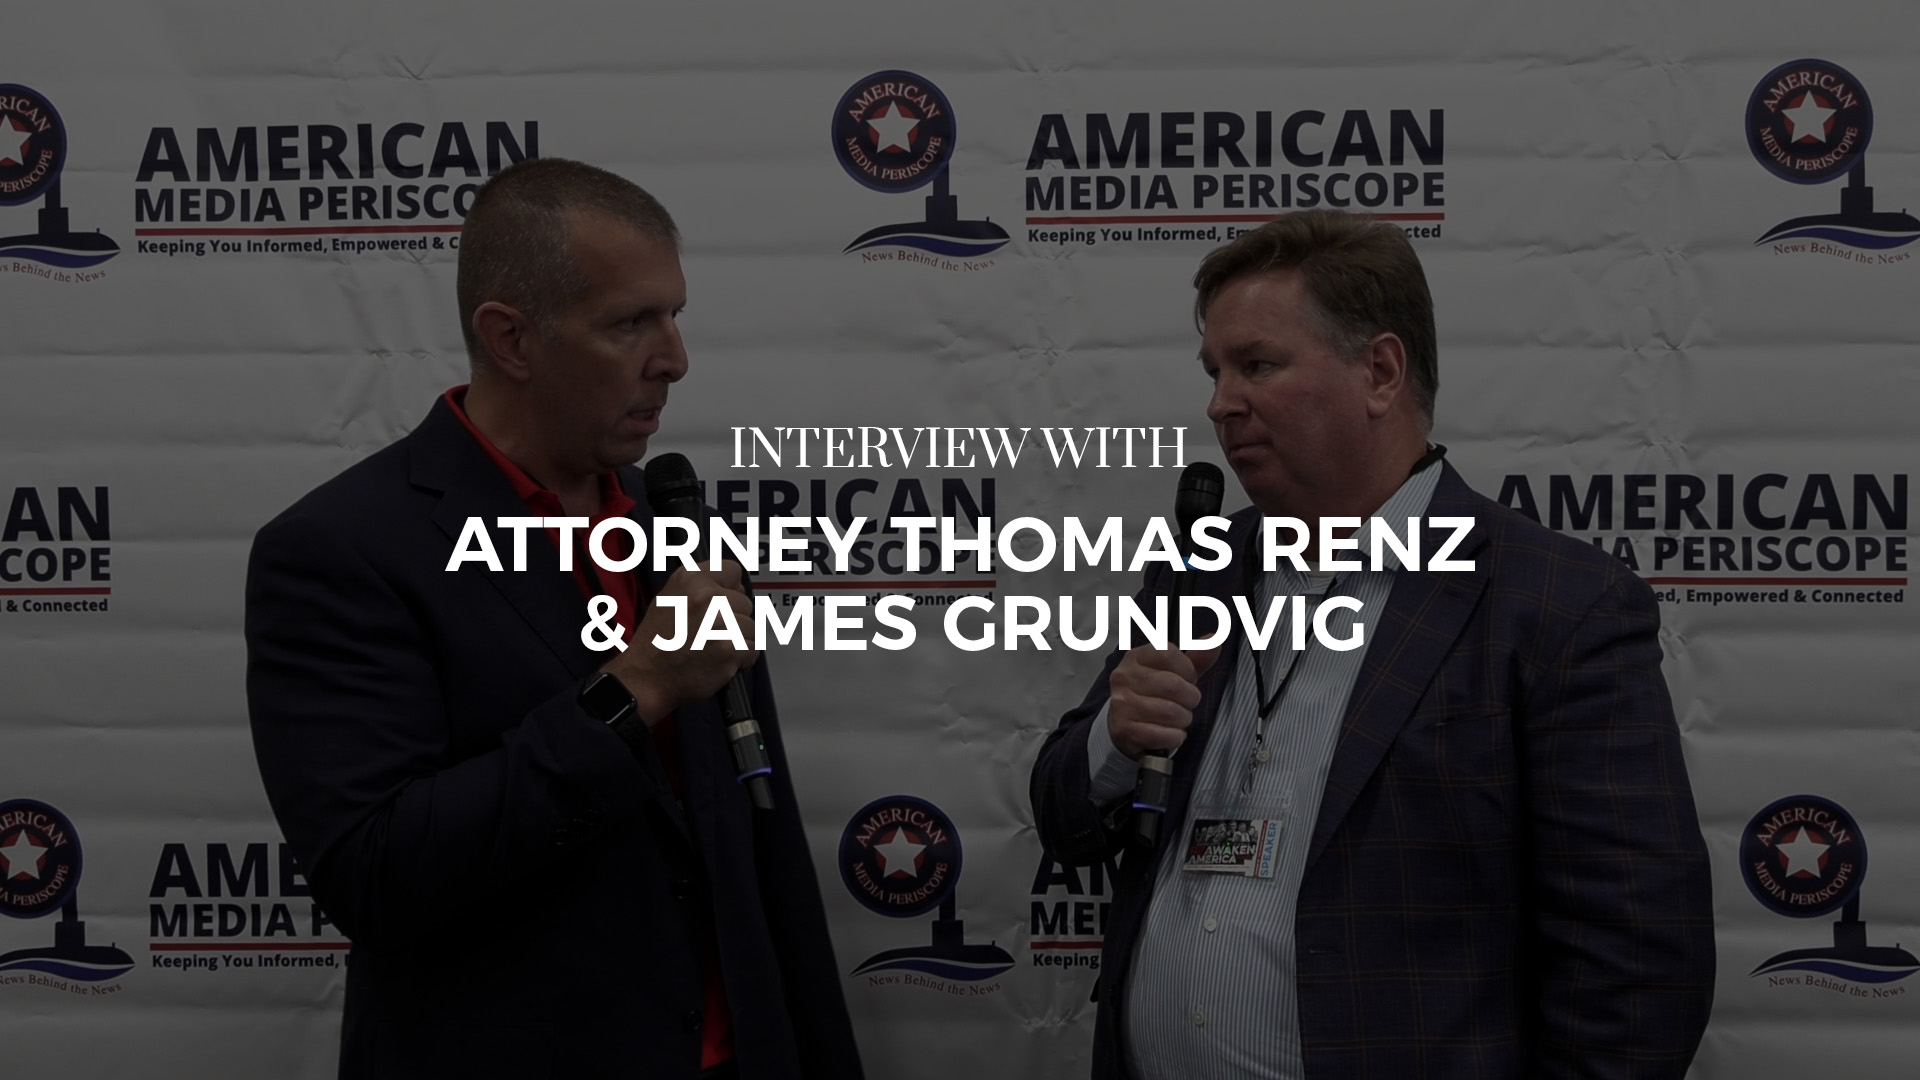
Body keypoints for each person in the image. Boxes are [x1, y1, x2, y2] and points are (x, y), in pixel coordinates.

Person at [1029, 210, 1714, 1079]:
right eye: (1214, 371)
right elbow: (1063, 815)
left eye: (1257, 365)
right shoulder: (1200, 567)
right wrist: (1114, 740)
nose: (1220, 403)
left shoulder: (1555, 607)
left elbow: (1640, 969)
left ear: (1381, 372)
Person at [246, 158, 864, 1080]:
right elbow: (377, 876)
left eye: (675, 315)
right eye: (629, 323)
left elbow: (756, 844)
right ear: (512, 339)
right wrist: (637, 687)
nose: (675, 360)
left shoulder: (674, 522)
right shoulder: (342, 548)